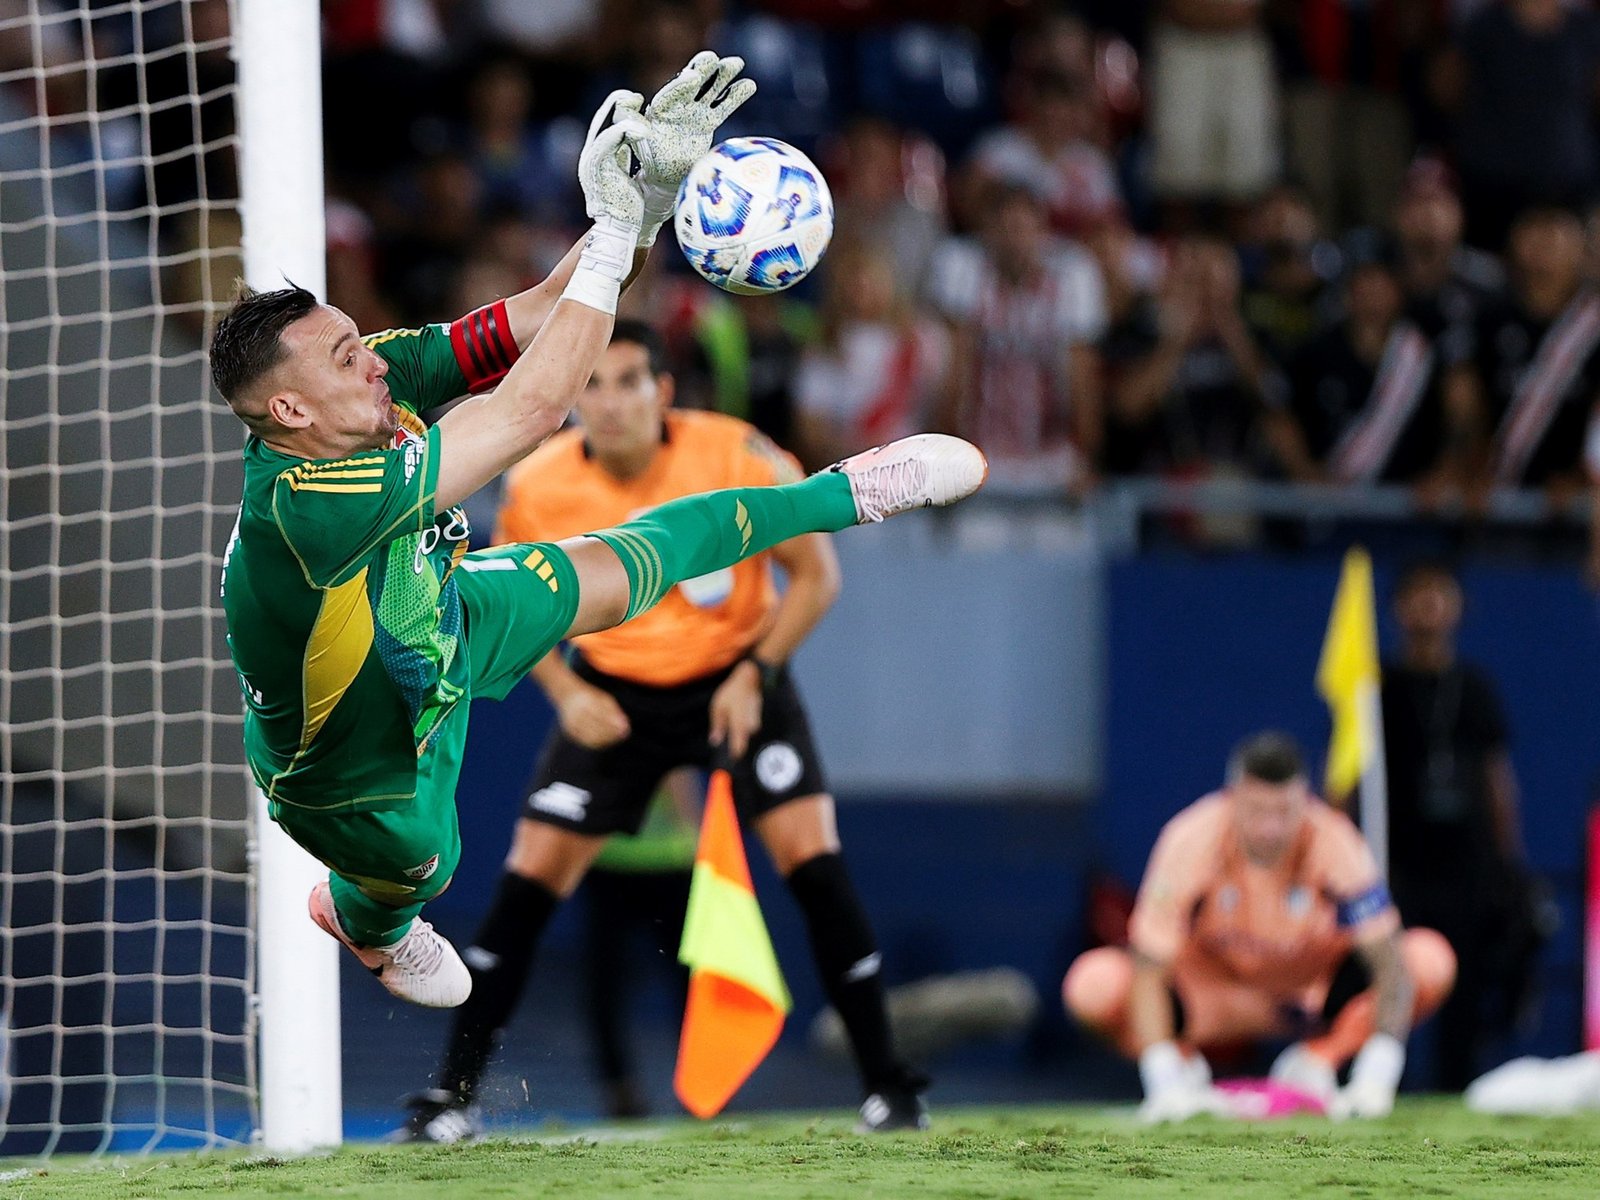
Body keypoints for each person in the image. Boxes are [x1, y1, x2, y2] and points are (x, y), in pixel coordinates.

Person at [214, 54, 986, 1016]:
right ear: (287, 408)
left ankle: (853, 493)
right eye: (343, 354)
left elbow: (534, 320)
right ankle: (367, 923)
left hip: (437, 614)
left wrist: (643, 204)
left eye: (355, 338)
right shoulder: (306, 506)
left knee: (635, 564)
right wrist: (619, 237)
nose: (370, 360)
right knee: (429, 865)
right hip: (351, 771)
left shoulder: (362, 379)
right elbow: (532, 411)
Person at [400, 320, 932, 1140]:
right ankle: (450, 1099)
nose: (607, 403)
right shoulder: (539, 484)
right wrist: (564, 692)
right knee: (525, 886)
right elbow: (492, 608)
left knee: (816, 869)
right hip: (615, 697)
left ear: (665, 392)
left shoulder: (735, 453)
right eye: (592, 386)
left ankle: (890, 1089)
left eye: (627, 382)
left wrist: (757, 674)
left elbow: (816, 576)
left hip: (739, 684)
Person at [1063, 733, 1455, 1122]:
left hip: (1310, 997)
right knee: (1093, 985)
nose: (1270, 829)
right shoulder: (1190, 837)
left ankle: (1316, 1062)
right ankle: (1184, 1072)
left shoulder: (1335, 839)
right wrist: (1162, 1077)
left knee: (1429, 959)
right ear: (1232, 800)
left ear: (1304, 801)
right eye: (1256, 812)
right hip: (1214, 997)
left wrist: (1376, 1076)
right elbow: (1149, 965)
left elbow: (1388, 961)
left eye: (1284, 812)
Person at [1381, 561, 1543, 1091]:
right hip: (1400, 863)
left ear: (1459, 608)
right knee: (1391, 977)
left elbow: (1499, 780)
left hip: (1467, 865)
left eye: (1441, 593)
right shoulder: (1376, 686)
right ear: (1398, 608)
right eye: (1418, 592)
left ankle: (1458, 1090)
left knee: (1466, 989)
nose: (1430, 605)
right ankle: (1381, 1085)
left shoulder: (1474, 688)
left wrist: (1508, 863)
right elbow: (1348, 772)